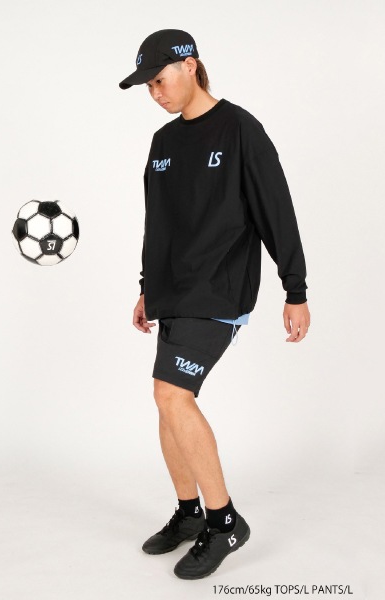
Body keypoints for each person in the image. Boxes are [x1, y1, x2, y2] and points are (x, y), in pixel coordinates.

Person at [119, 29, 310, 580]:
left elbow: (276, 209)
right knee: (166, 401)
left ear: (191, 66)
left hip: (219, 288)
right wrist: (148, 286)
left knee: (172, 394)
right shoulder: (162, 142)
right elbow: (159, 223)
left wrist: (295, 289)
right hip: (174, 291)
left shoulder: (240, 129)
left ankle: (224, 522)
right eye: (147, 87)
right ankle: (188, 513)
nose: (155, 93)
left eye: (159, 80)